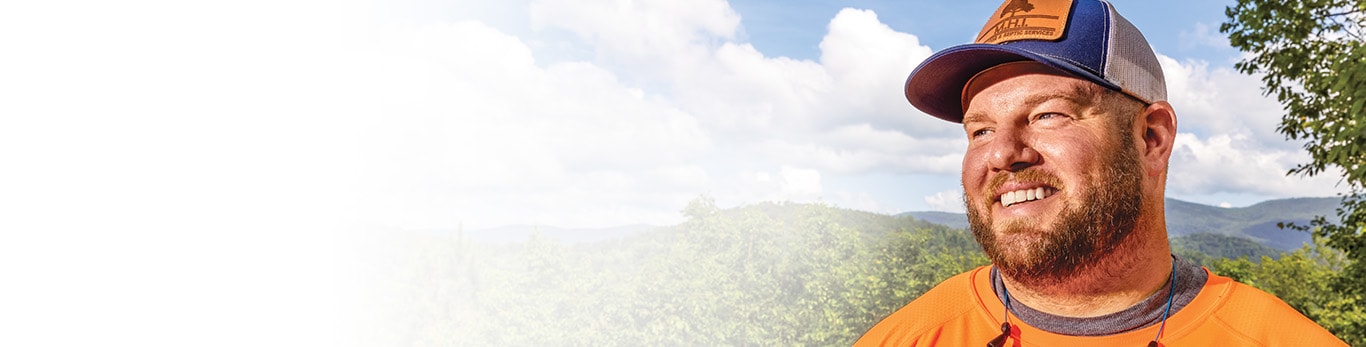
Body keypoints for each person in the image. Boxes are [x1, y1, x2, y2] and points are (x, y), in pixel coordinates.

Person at [854, 0, 1348, 346]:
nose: (1002, 154)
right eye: (979, 131)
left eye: (1048, 114)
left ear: (1151, 137)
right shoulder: (911, 336)